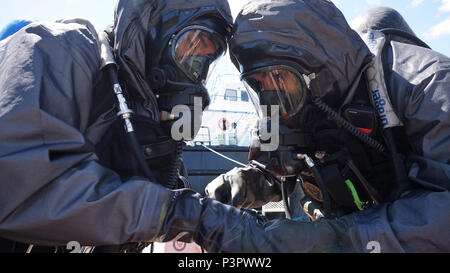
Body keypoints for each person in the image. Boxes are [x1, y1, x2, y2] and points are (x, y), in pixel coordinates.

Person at [205, 0, 450, 252]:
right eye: (258, 83)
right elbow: (277, 165)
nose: (269, 92)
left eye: (276, 76)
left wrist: (334, 238)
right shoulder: (293, 101)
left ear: (318, 66)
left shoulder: (431, 85)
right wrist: (246, 182)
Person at [0, 0, 236, 253]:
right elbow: (24, 187)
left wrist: (223, 204)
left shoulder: (147, 110)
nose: (196, 68)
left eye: (206, 58)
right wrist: (192, 216)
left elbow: (159, 196)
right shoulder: (57, 48)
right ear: (153, 30)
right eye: (191, 45)